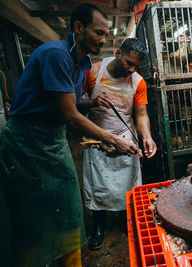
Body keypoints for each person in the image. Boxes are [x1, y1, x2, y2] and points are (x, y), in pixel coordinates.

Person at [0, 4, 140, 267]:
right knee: (30, 214)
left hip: (53, 139)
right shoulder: (57, 55)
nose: (103, 39)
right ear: (77, 27)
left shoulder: (81, 61)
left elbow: (72, 105)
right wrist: (112, 139)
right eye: (98, 32)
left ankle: (67, 259)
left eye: (106, 34)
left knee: (65, 204)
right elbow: (70, 116)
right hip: (26, 142)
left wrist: (92, 103)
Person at [82, 38, 157, 250]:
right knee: (97, 186)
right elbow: (74, 104)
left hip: (125, 139)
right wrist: (93, 102)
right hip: (96, 139)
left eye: (136, 66)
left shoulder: (138, 81)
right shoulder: (93, 72)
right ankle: (99, 227)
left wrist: (147, 137)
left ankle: (128, 222)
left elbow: (141, 114)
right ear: (117, 53)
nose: (131, 70)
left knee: (128, 186)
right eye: (128, 63)